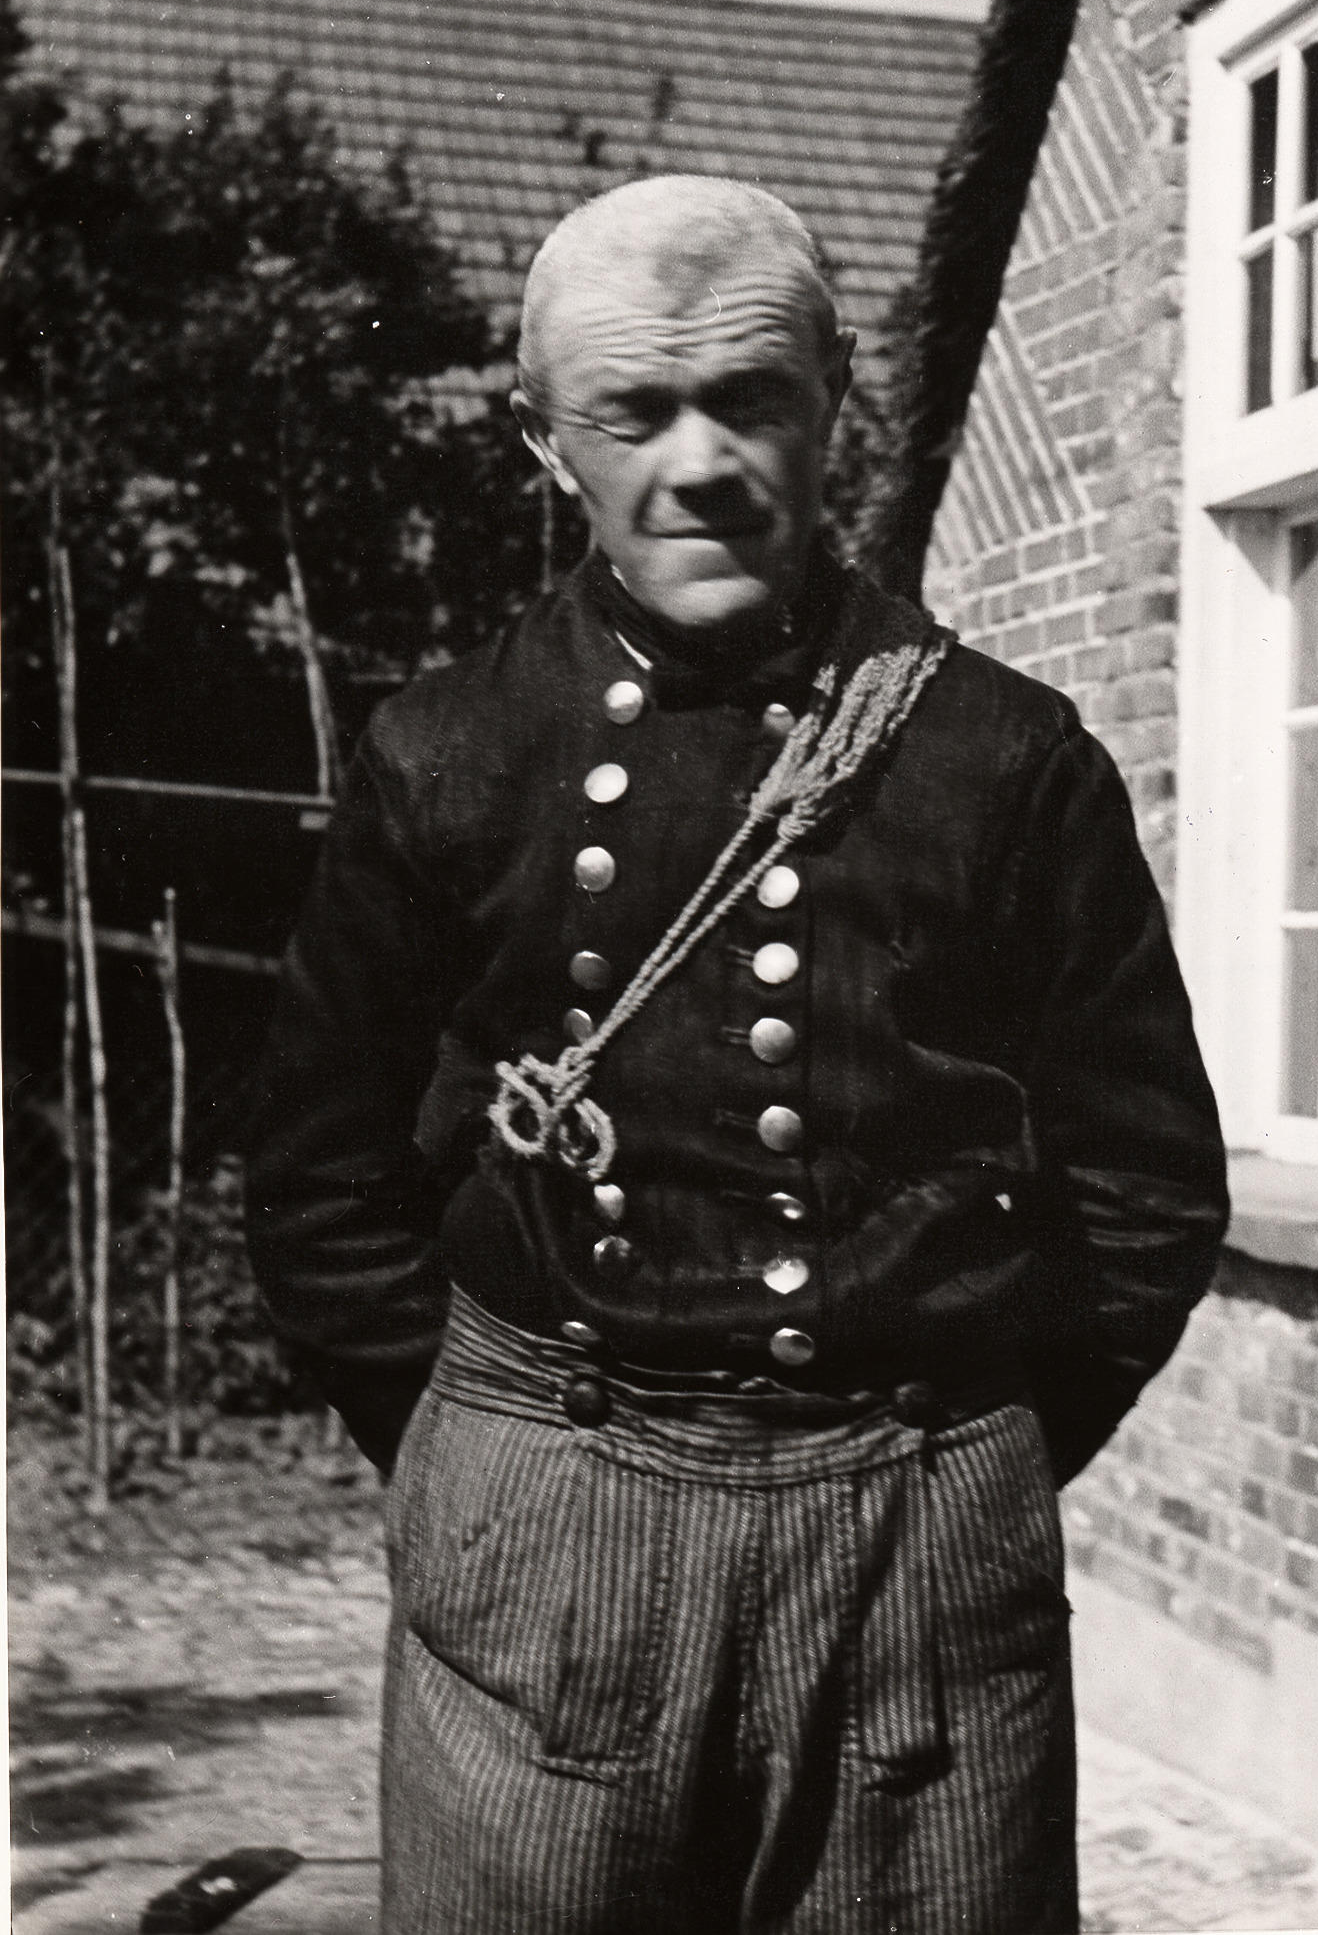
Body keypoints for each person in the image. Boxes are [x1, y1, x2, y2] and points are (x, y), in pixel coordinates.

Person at [246, 174, 1229, 1934]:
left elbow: (1145, 1186)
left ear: (836, 395)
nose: (700, 462)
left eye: (751, 398)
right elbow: (321, 1178)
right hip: (540, 1528)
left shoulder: (1004, 761)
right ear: (545, 441)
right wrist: (485, 1464)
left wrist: (965, 1465)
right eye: (634, 410)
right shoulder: (449, 753)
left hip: (916, 1553)